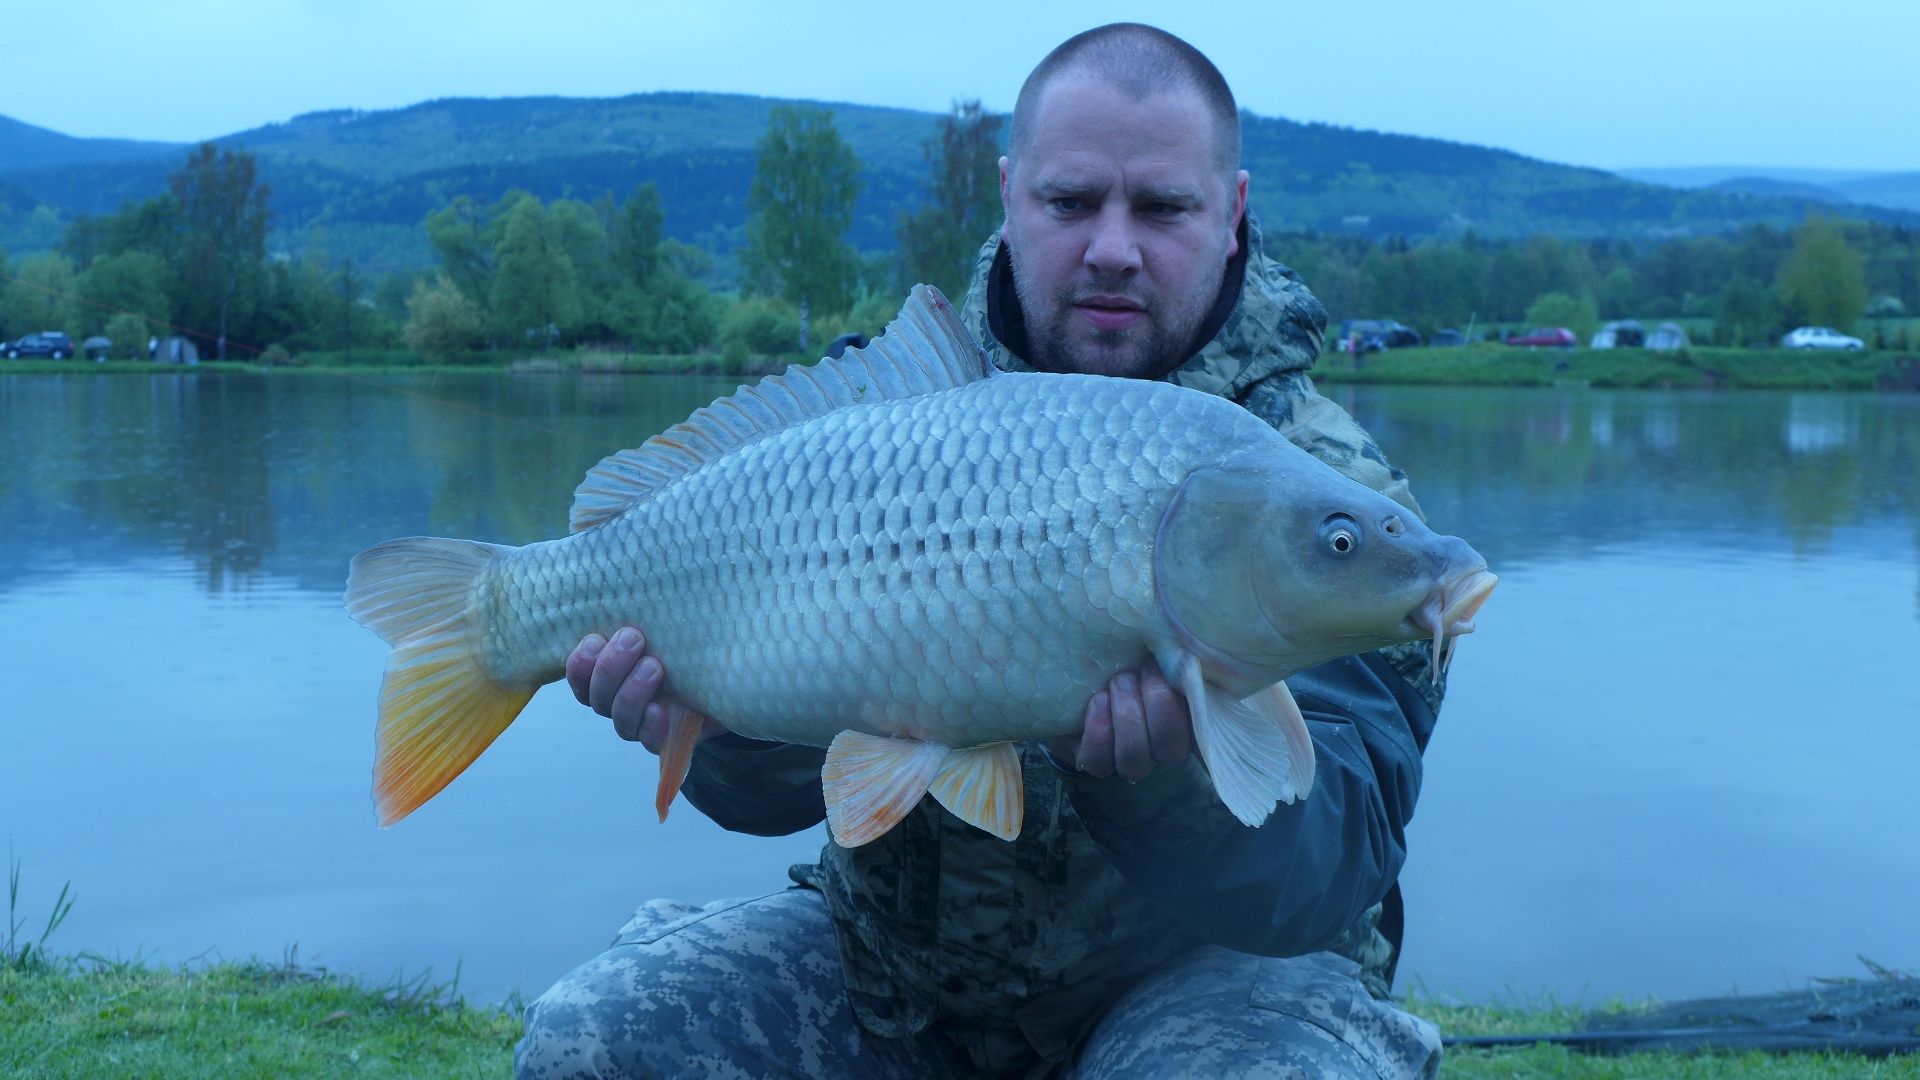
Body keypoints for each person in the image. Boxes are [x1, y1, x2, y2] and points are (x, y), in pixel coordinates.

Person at [518, 23, 1446, 1080]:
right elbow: (772, 798)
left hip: (1216, 990)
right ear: (1010, 197)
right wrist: (708, 722)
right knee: (599, 1040)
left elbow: (1330, 868)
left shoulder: (1330, 506)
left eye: (1162, 207)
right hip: (907, 983)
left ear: (1232, 215)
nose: (1111, 246)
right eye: (1069, 201)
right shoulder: (879, 419)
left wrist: (1159, 780)